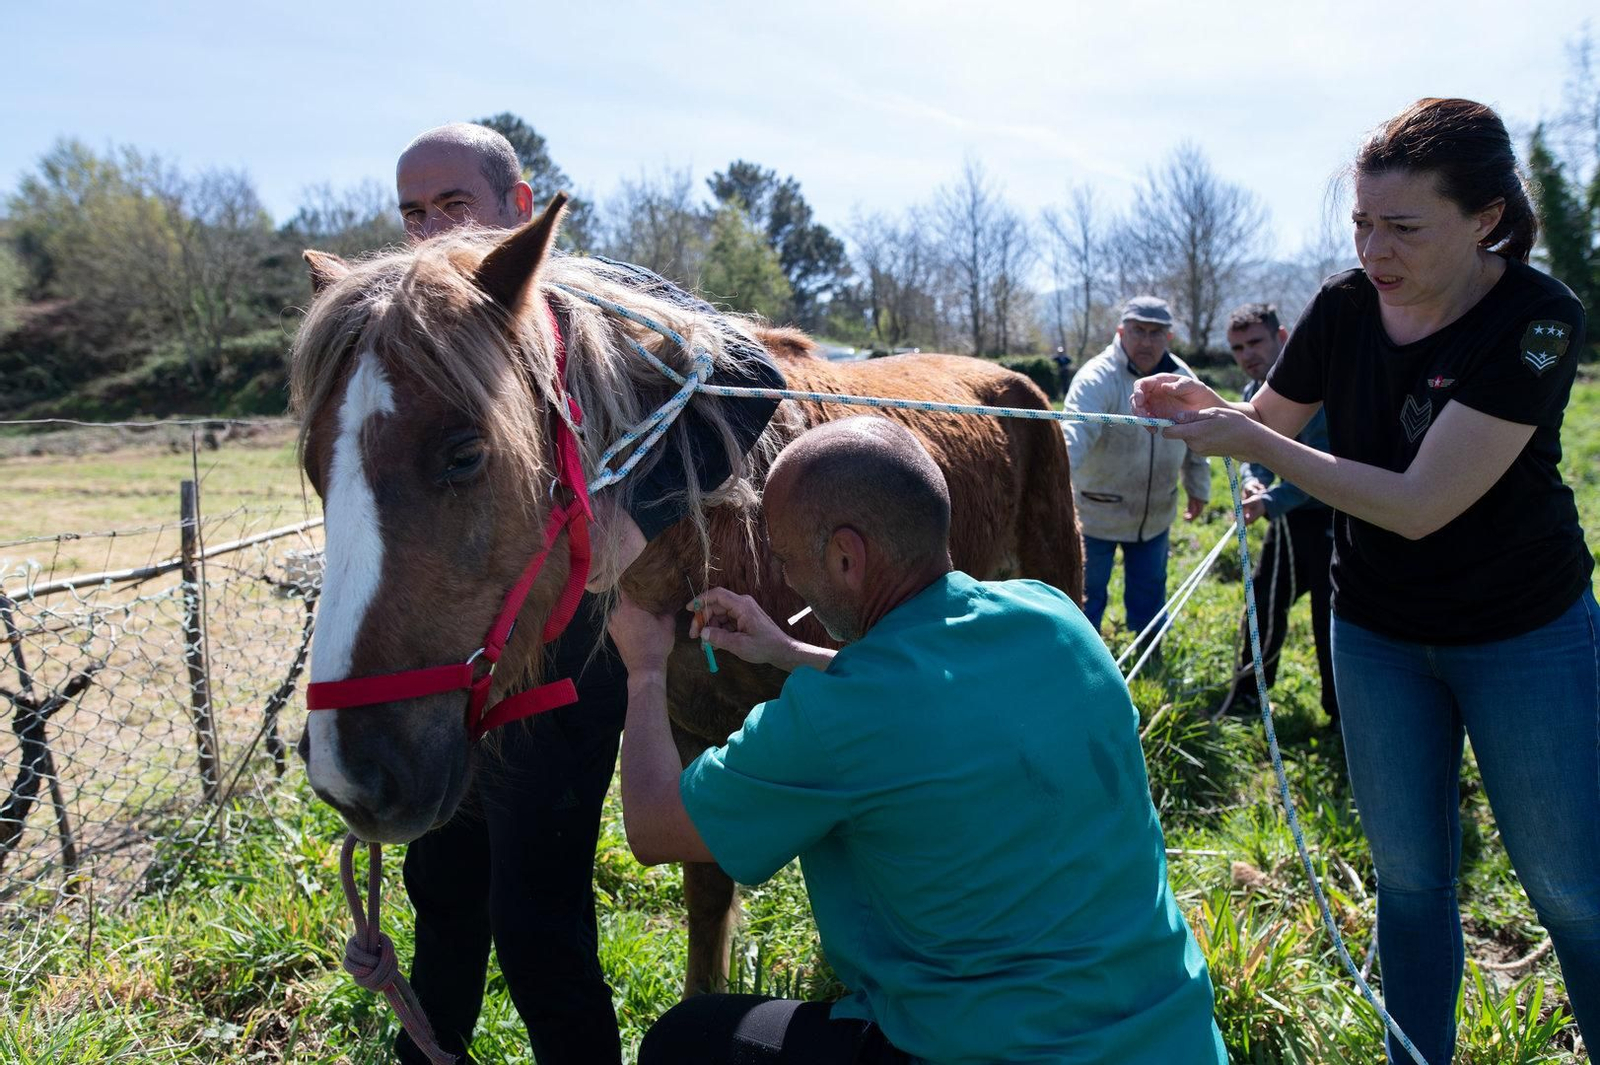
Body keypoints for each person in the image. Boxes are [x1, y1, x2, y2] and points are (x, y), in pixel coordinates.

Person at [1133, 98, 1597, 1065]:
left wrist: (1249, 436)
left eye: (1403, 226)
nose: (1374, 249)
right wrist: (1201, 406)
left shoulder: (1538, 319)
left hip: (1525, 633)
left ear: (1485, 219)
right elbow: (1269, 415)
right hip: (1379, 632)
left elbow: (1423, 502)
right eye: (1360, 223)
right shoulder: (1345, 308)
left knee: (1571, 887)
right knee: (1412, 881)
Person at [606, 416, 1228, 1065]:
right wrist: (787, 650)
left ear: (847, 556)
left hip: (992, 1051)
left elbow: (653, 828)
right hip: (1175, 1035)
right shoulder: (1054, 616)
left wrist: (644, 667)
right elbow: (927, 689)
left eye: (788, 559)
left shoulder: (834, 720)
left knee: (685, 1041)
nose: (786, 582)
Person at [388, 122, 784, 1065]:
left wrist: (633, 524)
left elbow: (749, 375)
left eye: (454, 206)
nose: (430, 233)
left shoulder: (590, 300)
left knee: (535, 920)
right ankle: (429, 1049)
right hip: (459, 653)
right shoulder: (418, 328)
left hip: (565, 649)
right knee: (442, 883)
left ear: (519, 207)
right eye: (411, 213)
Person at [1214, 303, 1339, 725]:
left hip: (1333, 521)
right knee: (1263, 602)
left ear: (1282, 338)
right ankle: (1249, 696)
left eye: (1255, 342)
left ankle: (1340, 714)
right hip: (1287, 522)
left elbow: (1320, 463)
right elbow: (1255, 454)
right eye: (1237, 348)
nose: (1247, 354)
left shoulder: (1317, 387)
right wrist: (1252, 481)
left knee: (1331, 617)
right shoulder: (1253, 396)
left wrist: (1271, 501)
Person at [1062, 296, 1210, 637]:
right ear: (1120, 331)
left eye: (1156, 332)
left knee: (1149, 593)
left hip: (1156, 511)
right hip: (1096, 513)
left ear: (1169, 337)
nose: (1146, 341)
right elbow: (1075, 431)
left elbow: (1197, 434)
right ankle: (1084, 664)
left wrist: (1198, 487)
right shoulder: (1097, 378)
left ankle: (1150, 656)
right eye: (1138, 330)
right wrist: (1055, 484)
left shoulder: (1181, 378)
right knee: (1086, 596)